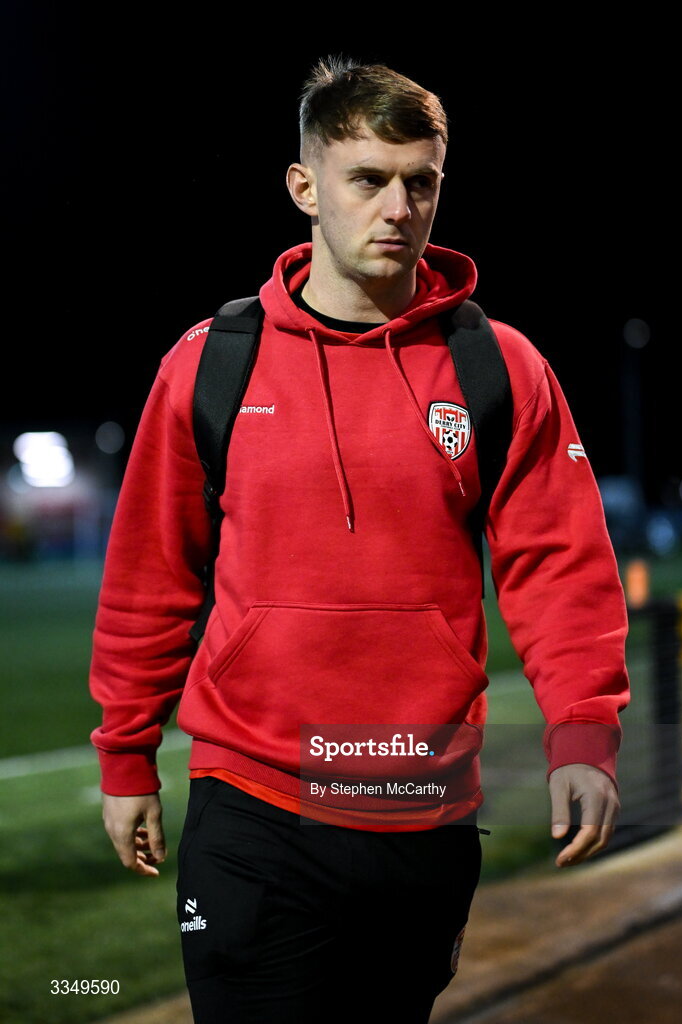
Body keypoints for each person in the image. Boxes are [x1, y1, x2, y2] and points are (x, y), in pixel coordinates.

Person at [89, 55, 631, 1024]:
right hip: (250, 806)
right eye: (368, 179)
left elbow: (560, 568)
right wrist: (126, 754)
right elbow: (149, 576)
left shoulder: (497, 366)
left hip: (419, 807)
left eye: (420, 181)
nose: (398, 207)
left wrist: (581, 733)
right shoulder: (212, 362)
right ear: (304, 187)